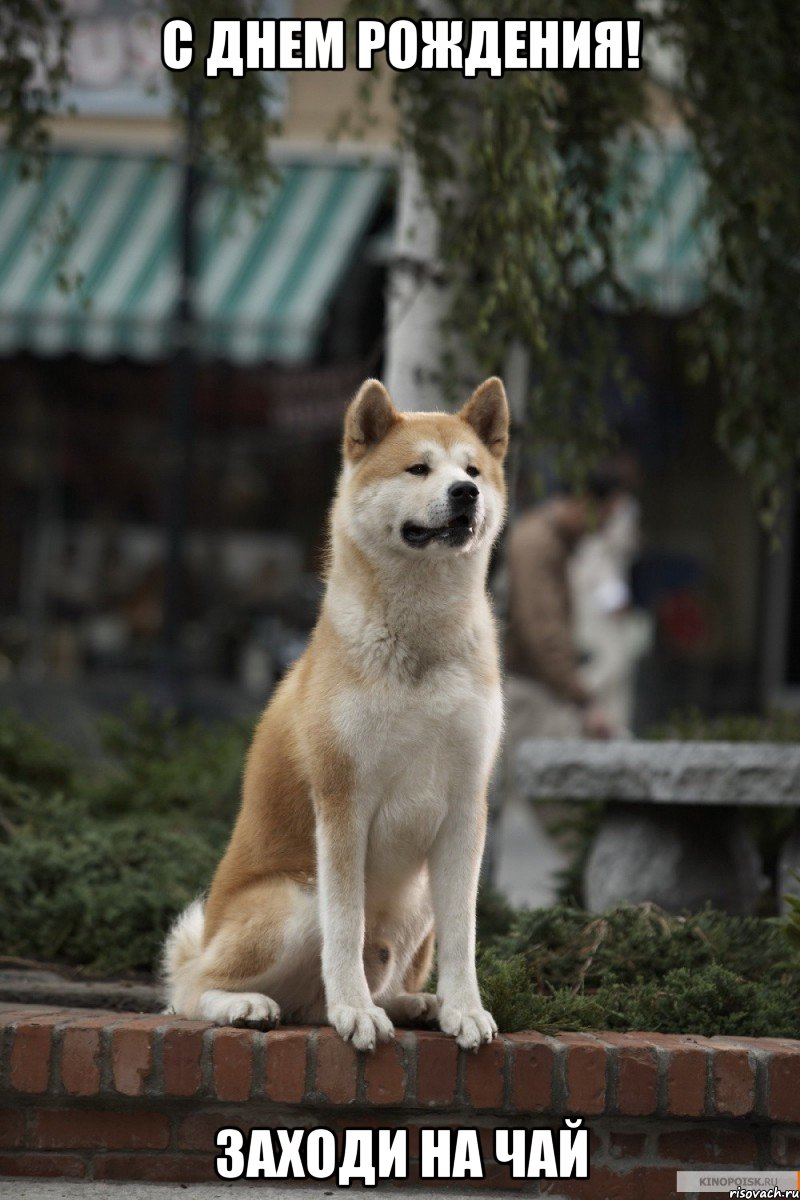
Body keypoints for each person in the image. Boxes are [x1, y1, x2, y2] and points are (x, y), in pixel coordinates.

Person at [504, 470, 627, 743]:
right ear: (586, 502)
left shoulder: (551, 541)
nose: (605, 527)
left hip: (537, 687)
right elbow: (542, 630)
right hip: (527, 691)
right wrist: (583, 701)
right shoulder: (538, 544)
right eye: (606, 515)